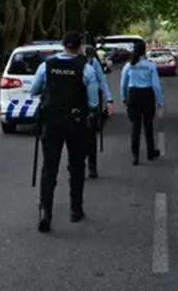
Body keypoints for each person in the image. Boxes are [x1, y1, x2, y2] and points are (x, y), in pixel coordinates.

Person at [30, 31, 102, 233]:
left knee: (49, 168)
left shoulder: (47, 65)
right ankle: (75, 209)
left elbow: (34, 90)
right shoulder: (85, 68)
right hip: (76, 122)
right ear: (79, 47)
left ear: (62, 44)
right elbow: (94, 101)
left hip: (51, 122)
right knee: (77, 166)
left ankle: (46, 212)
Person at [120, 40, 164, 165]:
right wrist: (159, 102)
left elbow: (123, 83)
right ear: (145, 50)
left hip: (133, 95)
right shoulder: (150, 65)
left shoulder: (129, 65)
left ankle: (135, 156)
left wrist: (124, 97)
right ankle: (150, 152)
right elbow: (156, 85)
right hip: (147, 95)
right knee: (148, 125)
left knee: (135, 127)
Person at [84, 45, 114, 179]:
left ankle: (92, 166)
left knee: (90, 138)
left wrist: (109, 98)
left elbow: (101, 80)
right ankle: (77, 162)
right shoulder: (67, 62)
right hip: (77, 105)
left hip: (90, 104)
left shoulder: (92, 63)